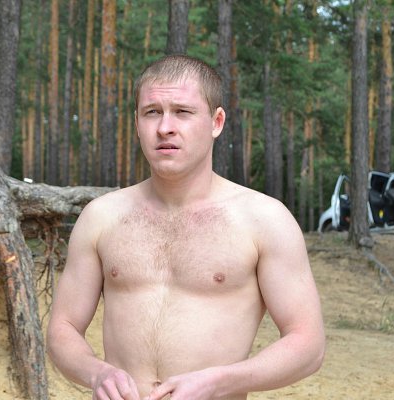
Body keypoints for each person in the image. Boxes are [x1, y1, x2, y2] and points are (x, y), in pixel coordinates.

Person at [47, 54, 325, 400]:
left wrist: (221, 381)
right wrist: (97, 373)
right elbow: (63, 329)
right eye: (152, 112)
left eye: (182, 112)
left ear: (216, 122)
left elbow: (308, 344)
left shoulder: (263, 220)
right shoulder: (101, 217)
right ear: (137, 123)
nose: (165, 127)